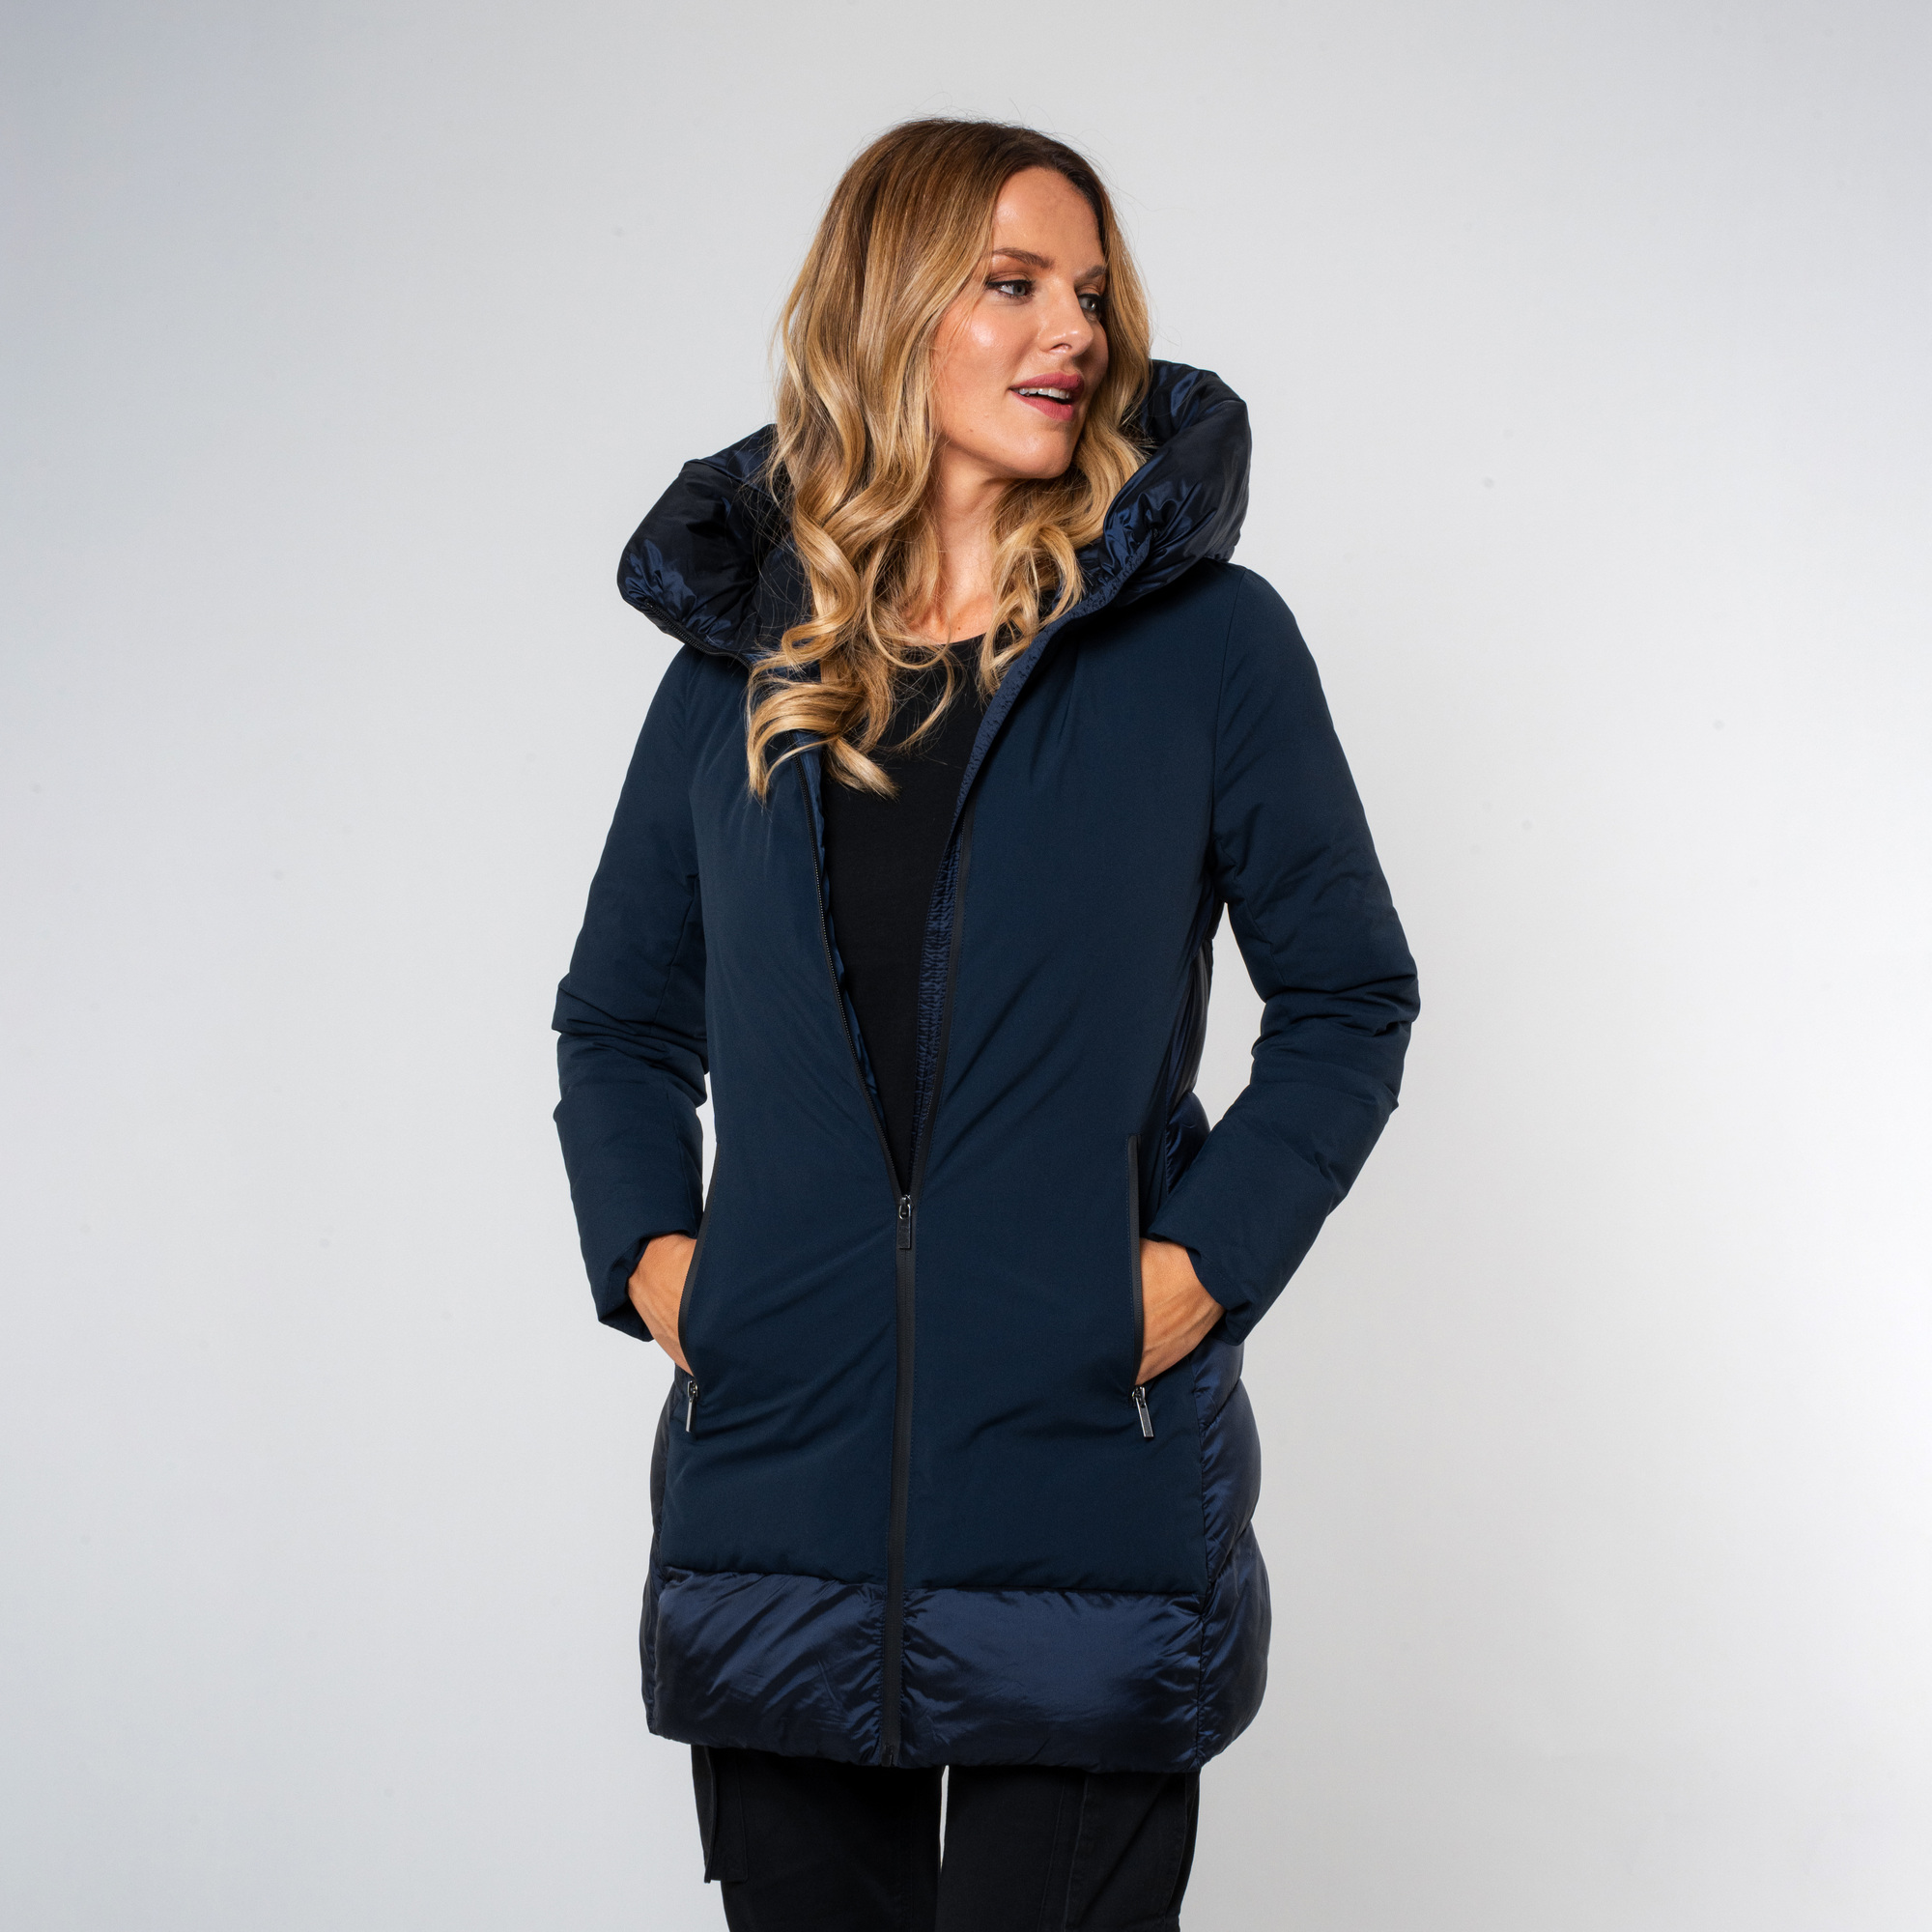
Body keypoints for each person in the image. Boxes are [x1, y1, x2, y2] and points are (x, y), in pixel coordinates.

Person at [554, 117, 1418, 1930]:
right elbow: (620, 1016)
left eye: (1090, 292)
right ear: (889, 312)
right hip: (778, 1494)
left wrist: (1192, 1272)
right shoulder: (741, 664)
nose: (1073, 332)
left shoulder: (1207, 647)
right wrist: (662, 1265)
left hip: (1088, 1488)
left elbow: (1349, 999)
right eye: (1012, 285)